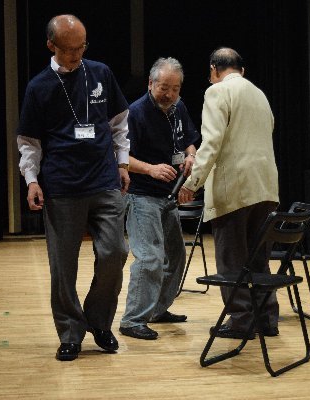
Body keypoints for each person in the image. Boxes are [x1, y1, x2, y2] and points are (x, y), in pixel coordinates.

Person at [16, 14, 130, 361]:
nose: (76, 54)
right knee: (63, 266)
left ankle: (99, 321)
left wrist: (122, 163)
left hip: (104, 180)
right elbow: (29, 142)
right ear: (51, 46)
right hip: (62, 187)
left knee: (115, 252)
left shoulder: (101, 73)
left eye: (82, 47)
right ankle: (70, 332)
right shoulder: (38, 87)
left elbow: (119, 124)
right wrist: (31, 181)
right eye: (69, 49)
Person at [178, 47, 280, 339]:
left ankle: (241, 321)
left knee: (232, 261)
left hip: (234, 188)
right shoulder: (260, 95)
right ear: (242, 70)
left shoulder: (217, 92)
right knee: (259, 260)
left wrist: (192, 183)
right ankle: (266, 319)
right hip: (266, 187)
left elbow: (211, 143)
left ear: (213, 69)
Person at [119, 57, 200, 340]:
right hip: (141, 195)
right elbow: (121, 156)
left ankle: (156, 309)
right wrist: (150, 169)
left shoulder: (179, 108)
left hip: (168, 196)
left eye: (175, 89)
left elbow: (189, 140)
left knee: (175, 257)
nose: (169, 94)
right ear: (150, 83)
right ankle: (133, 320)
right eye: (164, 87)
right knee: (149, 257)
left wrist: (191, 155)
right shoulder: (135, 113)